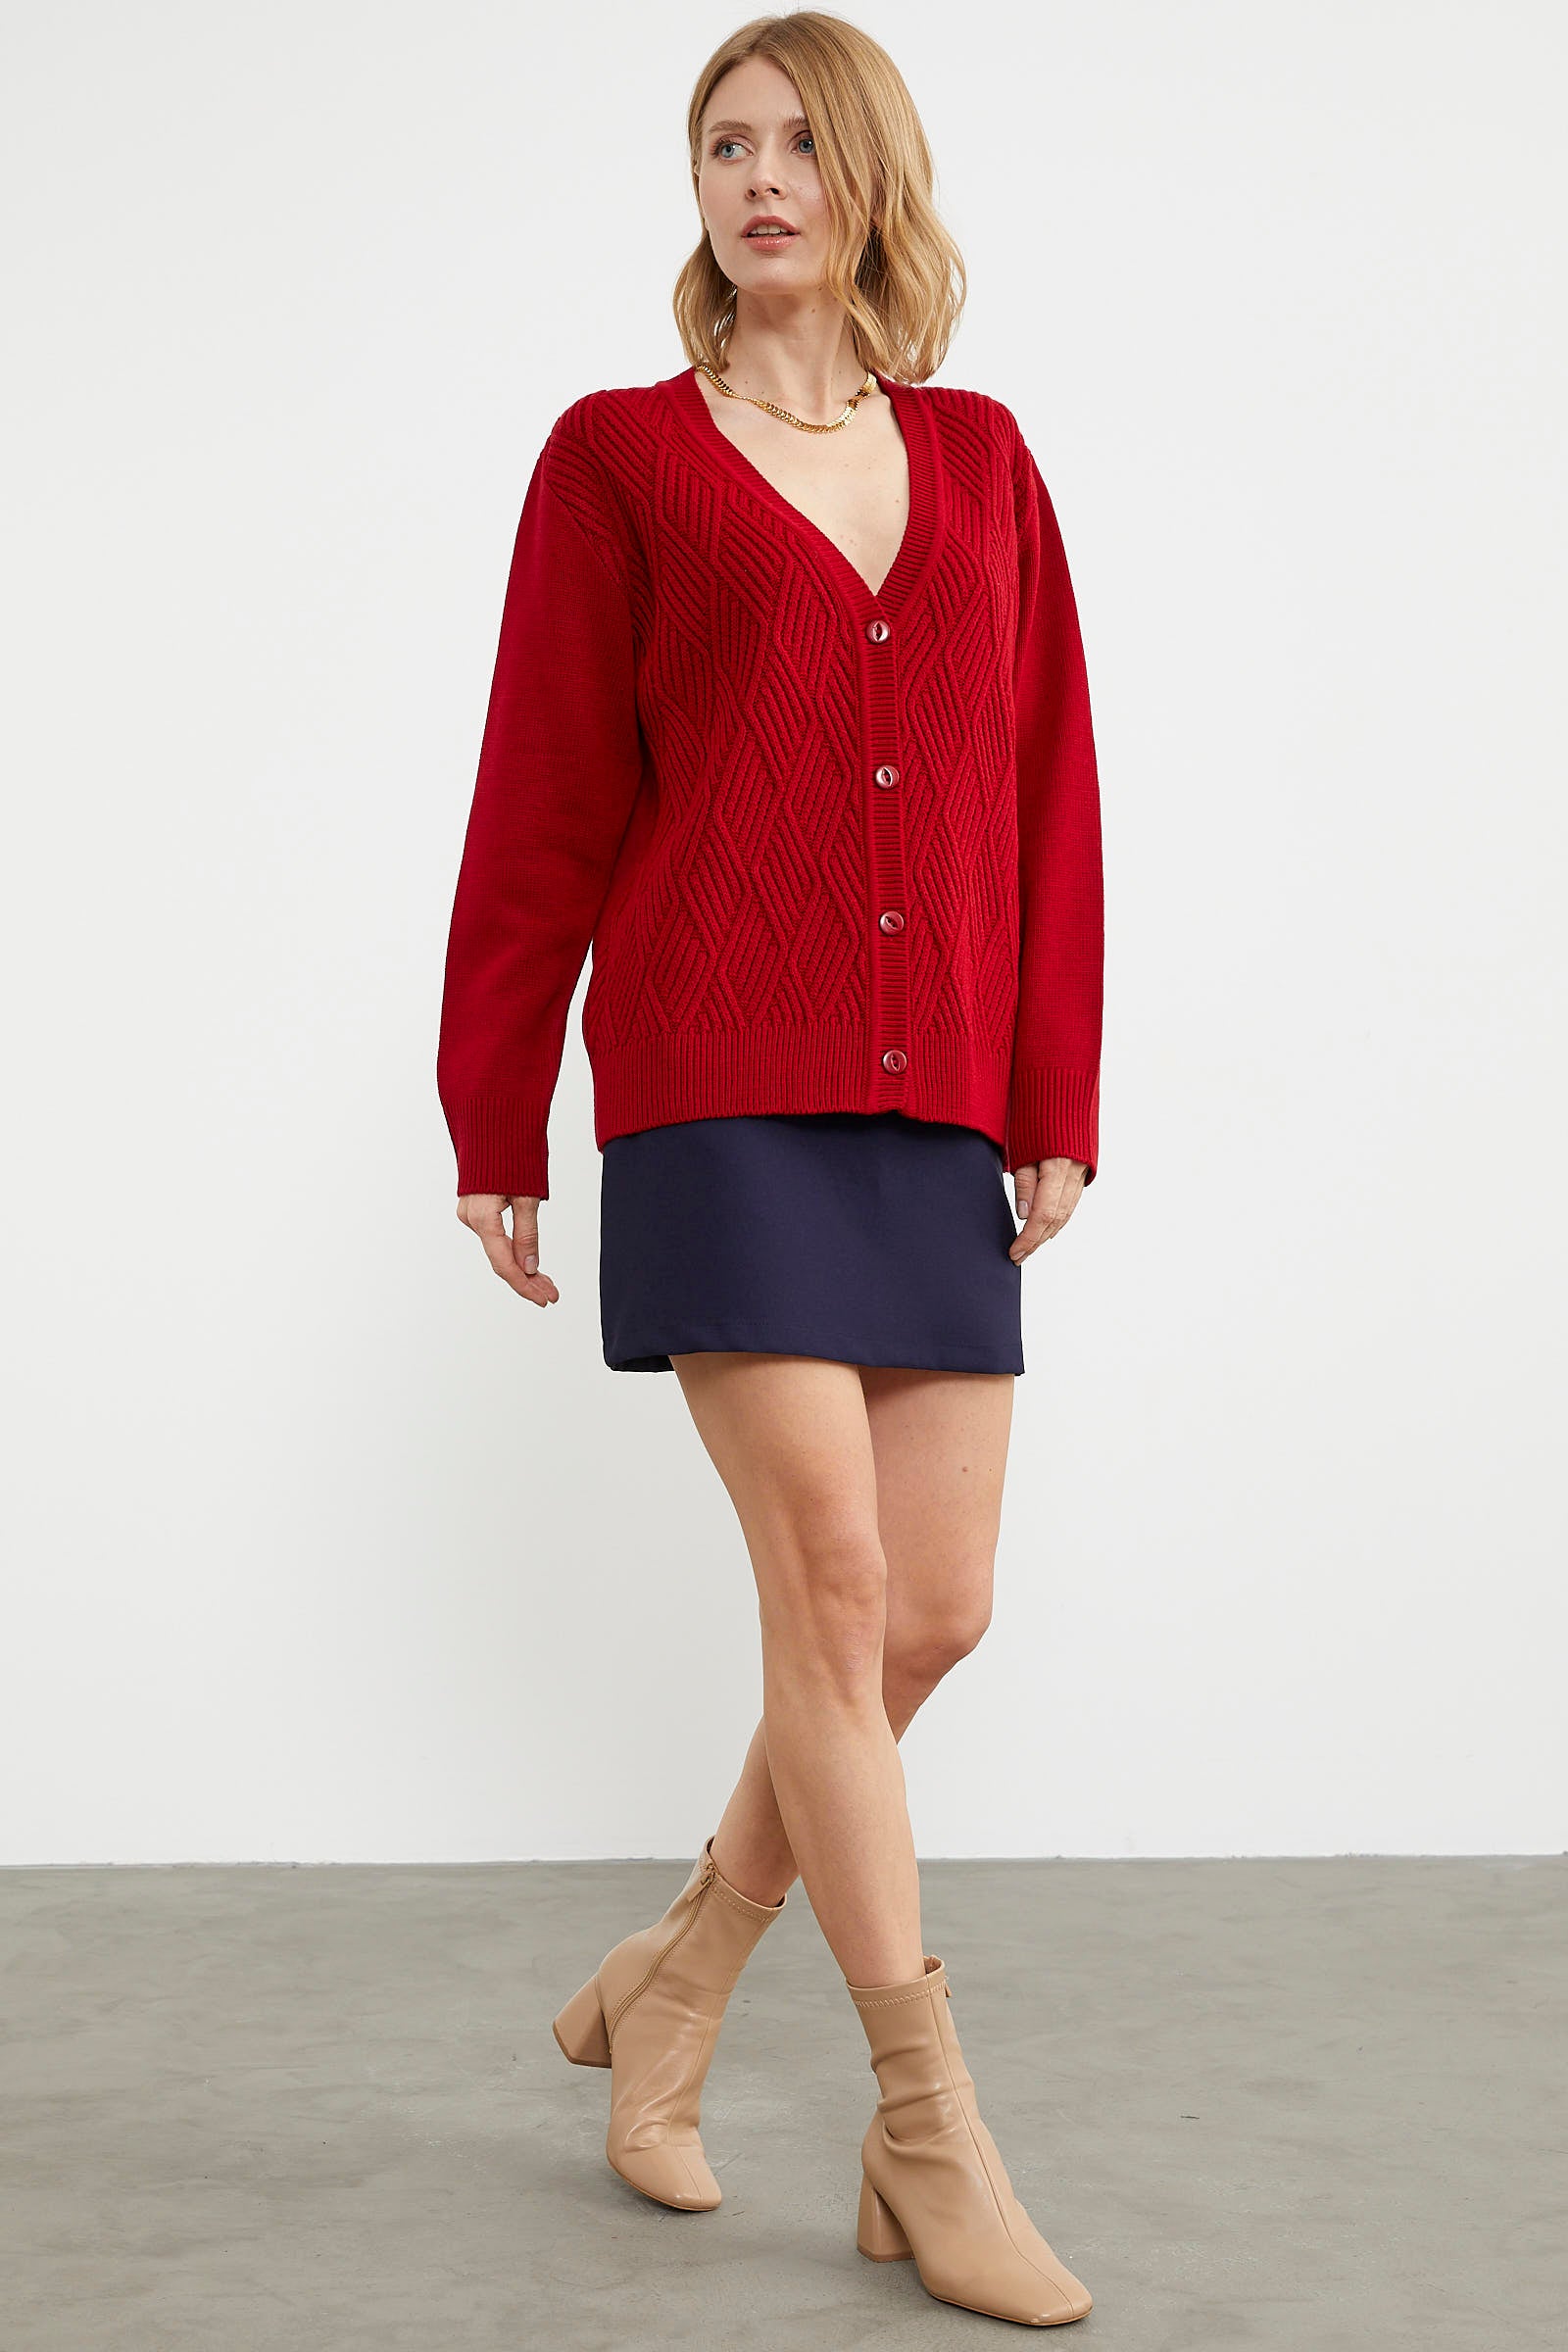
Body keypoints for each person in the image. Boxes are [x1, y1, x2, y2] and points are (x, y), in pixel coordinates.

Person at [436, 13, 1102, 2328]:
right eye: (722, 143)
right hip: (715, 1086)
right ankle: (925, 2131)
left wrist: (1050, 1087)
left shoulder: (984, 461)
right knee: (826, 1594)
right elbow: (542, 791)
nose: (756, 177)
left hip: (930, 1109)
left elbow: (1045, 784)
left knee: (931, 1613)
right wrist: (493, 1109)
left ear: (867, 177)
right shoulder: (617, 459)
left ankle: (677, 1978)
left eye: (798, 142)